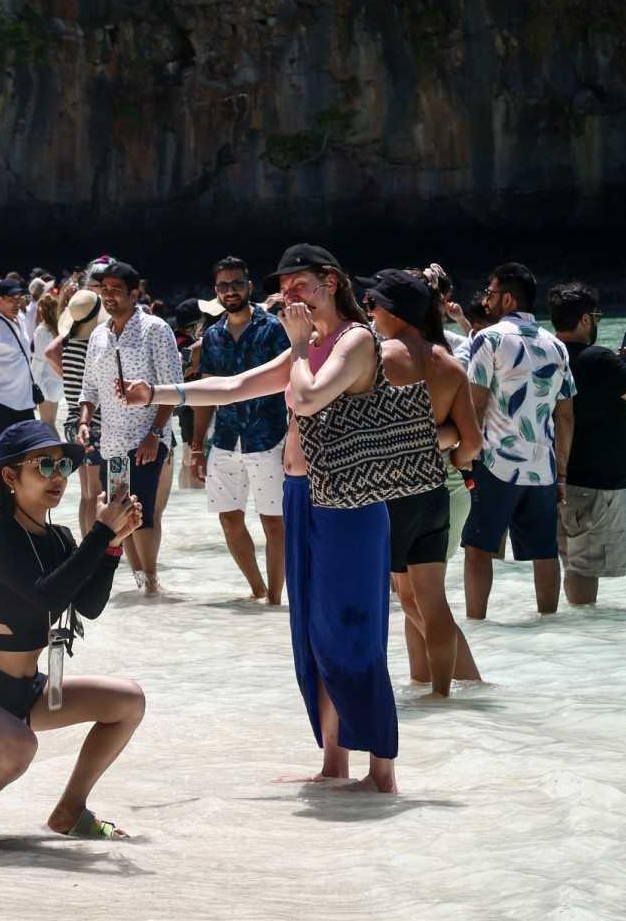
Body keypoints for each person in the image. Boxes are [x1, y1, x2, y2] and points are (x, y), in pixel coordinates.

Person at [121, 244, 395, 790]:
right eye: (285, 285)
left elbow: (312, 398)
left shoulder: (355, 341)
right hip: (300, 492)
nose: (289, 293)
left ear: (332, 281)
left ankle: (381, 770)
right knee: (311, 631)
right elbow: (235, 387)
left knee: (352, 628)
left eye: (301, 284)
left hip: (346, 501)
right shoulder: (309, 344)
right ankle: (334, 763)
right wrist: (160, 393)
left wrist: (295, 346)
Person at [0, 419, 145, 844]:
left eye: (63, 466)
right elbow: (46, 597)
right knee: (21, 746)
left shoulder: (61, 538)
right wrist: (99, 533)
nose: (58, 477)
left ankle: (70, 809)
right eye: (43, 466)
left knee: (129, 702)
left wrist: (114, 544)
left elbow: (88, 606)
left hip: (25, 690)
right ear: (11, 476)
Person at [361, 269, 483, 696]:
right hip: (433, 491)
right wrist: (439, 445)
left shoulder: (375, 357)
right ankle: (442, 695)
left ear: (391, 311)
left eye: (371, 303)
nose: (367, 310)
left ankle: (378, 693)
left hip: (389, 496)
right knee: (428, 602)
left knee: (391, 601)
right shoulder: (449, 364)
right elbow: (473, 444)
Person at [461, 263, 576, 618]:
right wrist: (562, 474)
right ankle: (549, 621)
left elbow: (475, 404)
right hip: (541, 467)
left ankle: (476, 623)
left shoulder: (489, 339)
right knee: (544, 552)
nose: (486, 300)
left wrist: (465, 456)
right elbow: (566, 416)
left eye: (491, 293)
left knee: (478, 547)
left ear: (508, 298)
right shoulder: (556, 346)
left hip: (496, 463)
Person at [548, 282, 626, 607]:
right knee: (585, 569)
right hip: (596, 484)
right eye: (596, 316)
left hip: (557, 476)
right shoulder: (599, 359)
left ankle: (567, 630)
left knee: (570, 561)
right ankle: (584, 635)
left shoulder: (547, 353)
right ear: (584, 319)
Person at [78, 262, 180, 596]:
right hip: (111, 442)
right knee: (121, 514)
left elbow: (173, 388)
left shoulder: (156, 329)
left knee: (143, 512)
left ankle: (151, 583)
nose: (108, 296)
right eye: (104, 290)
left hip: (146, 438)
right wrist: (83, 419)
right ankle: (141, 585)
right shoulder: (98, 334)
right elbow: (89, 387)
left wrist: (155, 435)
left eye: (115, 290)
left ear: (134, 294)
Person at [192, 256, 289, 603]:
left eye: (236, 284)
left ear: (249, 286)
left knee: (274, 522)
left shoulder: (273, 329)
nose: (230, 291)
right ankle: (257, 589)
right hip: (226, 439)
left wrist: (297, 441)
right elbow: (205, 392)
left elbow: (292, 385)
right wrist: (195, 446)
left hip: (269, 437)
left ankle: (276, 598)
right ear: (215, 291)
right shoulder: (213, 336)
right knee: (229, 520)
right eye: (223, 285)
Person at [45, 288, 105, 535]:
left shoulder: (69, 344)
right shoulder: (94, 347)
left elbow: (49, 352)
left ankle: (86, 549)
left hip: (72, 423)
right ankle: (95, 552)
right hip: (94, 425)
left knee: (87, 494)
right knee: (98, 494)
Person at [0, 279, 40, 452]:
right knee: (1, 453)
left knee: (27, 451)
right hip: (2, 402)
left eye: (19, 298)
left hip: (24, 400)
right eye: (11, 299)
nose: (16, 303)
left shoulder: (21, 318)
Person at [30, 291, 63, 428]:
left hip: (44, 379)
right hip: (57, 379)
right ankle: (56, 449)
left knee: (46, 424)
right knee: (51, 422)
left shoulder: (41, 330)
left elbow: (40, 358)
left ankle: (56, 449)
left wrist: (32, 381)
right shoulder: (59, 330)